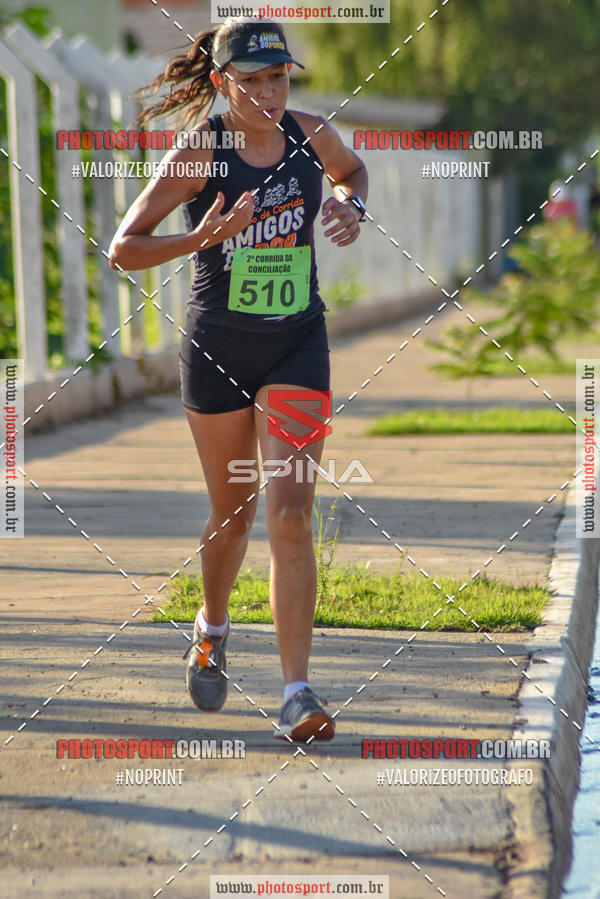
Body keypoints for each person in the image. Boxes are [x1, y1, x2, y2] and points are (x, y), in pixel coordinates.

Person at [108, 17, 368, 743]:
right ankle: (211, 624)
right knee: (234, 511)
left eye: (278, 77)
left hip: (297, 346)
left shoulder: (312, 135)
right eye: (250, 81)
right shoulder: (201, 151)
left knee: (290, 513)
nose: (268, 93)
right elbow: (122, 248)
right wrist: (204, 238)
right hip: (219, 349)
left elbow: (353, 170)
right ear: (223, 84)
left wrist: (351, 204)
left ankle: (295, 692)